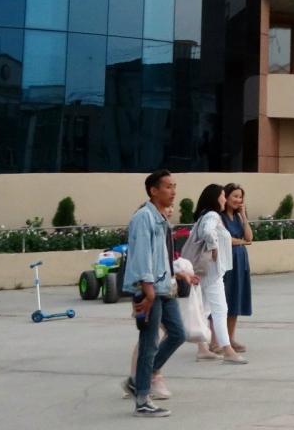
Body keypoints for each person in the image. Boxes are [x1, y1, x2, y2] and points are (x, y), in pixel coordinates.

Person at [122, 169, 197, 418]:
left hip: (163, 288)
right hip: (149, 290)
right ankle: (142, 400)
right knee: (149, 342)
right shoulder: (143, 217)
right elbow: (142, 255)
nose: (173, 191)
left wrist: (176, 277)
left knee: (177, 333)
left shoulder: (161, 218)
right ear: (153, 190)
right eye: (168, 186)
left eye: (174, 186)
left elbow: (161, 257)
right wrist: (148, 291)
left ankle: (139, 381)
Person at [189, 184, 247, 364]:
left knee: (205, 309)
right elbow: (207, 232)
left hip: (206, 270)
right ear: (215, 198)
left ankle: (202, 349)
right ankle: (227, 351)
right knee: (220, 309)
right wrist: (214, 246)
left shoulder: (204, 215)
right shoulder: (213, 215)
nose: (225, 198)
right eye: (222, 195)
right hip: (212, 272)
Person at [222, 183, 253, 353]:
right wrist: (240, 241)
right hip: (226, 261)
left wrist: (244, 217)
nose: (238, 200)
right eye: (234, 196)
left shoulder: (238, 217)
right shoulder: (220, 217)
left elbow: (249, 237)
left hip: (240, 261)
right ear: (226, 197)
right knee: (223, 299)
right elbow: (225, 239)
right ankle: (219, 339)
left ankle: (230, 338)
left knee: (236, 298)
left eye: (240, 197)